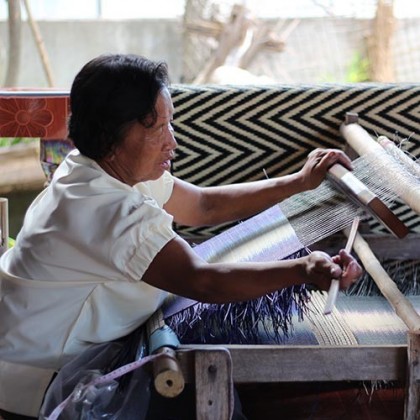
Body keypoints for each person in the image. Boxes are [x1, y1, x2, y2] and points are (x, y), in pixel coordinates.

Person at [0, 53, 362, 419]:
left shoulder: (92, 169)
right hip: (39, 382)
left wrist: (299, 182)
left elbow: (203, 205)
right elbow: (203, 282)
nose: (171, 142)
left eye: (169, 124)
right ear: (113, 135)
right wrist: (303, 270)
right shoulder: (109, 211)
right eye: (157, 128)